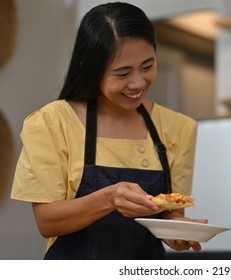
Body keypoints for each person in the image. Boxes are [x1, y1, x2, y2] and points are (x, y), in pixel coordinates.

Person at [10, 2, 206, 260]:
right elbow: (47, 222)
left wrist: (177, 230)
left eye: (147, 66)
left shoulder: (178, 128)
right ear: (91, 69)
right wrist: (110, 198)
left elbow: (170, 211)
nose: (138, 83)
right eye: (122, 73)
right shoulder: (52, 122)